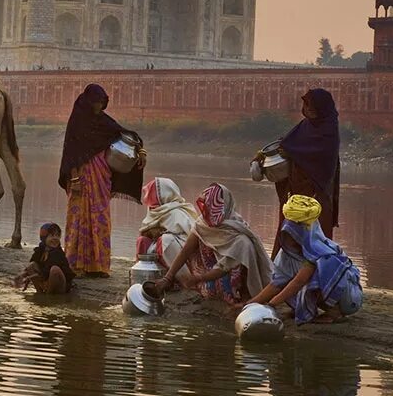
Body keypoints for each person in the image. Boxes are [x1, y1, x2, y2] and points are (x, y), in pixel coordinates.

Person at [58, 83, 147, 277]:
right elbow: (71, 151)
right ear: (89, 102)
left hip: (100, 176)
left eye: (102, 102)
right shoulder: (78, 122)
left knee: (100, 220)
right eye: (97, 102)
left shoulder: (103, 122)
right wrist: (74, 178)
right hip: (80, 177)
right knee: (79, 220)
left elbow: (125, 135)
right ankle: (77, 265)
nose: (99, 106)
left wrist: (140, 150)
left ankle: (98, 266)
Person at [247, 195, 363, 324]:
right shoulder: (288, 254)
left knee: (311, 278)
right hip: (320, 291)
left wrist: (271, 304)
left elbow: (299, 282)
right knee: (286, 280)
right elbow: (276, 284)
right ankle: (299, 308)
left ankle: (334, 312)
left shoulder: (319, 252)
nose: (290, 237)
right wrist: (249, 305)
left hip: (348, 299)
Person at [153, 183, 272, 305]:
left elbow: (223, 268)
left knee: (243, 256)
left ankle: (244, 300)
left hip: (231, 286)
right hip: (207, 281)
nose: (207, 213)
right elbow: (186, 251)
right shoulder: (203, 224)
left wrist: (198, 278)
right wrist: (168, 278)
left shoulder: (240, 236)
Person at [263, 88, 341, 255]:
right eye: (306, 105)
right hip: (295, 194)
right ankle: (283, 275)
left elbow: (319, 158)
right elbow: (287, 144)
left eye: (311, 105)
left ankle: (314, 276)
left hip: (316, 196)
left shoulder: (329, 130)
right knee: (288, 236)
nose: (308, 109)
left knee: (315, 242)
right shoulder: (304, 126)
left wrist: (292, 152)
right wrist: (265, 155)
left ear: (322, 107)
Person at [135, 177, 198, 282]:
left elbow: (191, 238)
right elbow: (145, 230)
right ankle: (145, 275)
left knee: (166, 240)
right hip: (156, 249)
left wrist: (163, 234)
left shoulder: (178, 212)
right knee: (142, 240)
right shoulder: (155, 211)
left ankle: (175, 278)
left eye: (153, 194)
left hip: (180, 254)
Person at [13, 222, 75, 294]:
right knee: (32, 265)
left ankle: (48, 295)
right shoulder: (40, 249)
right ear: (44, 238)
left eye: (57, 236)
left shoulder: (58, 253)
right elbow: (33, 264)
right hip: (45, 279)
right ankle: (40, 292)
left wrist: (29, 278)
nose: (55, 238)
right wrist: (21, 275)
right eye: (52, 235)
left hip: (61, 285)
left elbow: (46, 272)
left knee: (55, 270)